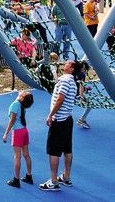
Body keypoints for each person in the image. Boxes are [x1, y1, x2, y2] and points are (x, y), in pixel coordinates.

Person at [38, 59, 78, 192]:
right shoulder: (71, 81)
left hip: (59, 120)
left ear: (71, 68)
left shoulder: (66, 81)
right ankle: (66, 177)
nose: (64, 63)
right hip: (67, 119)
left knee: (54, 151)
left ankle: (54, 181)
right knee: (67, 149)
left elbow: (60, 98)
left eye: (67, 63)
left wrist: (51, 115)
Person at [2, 90, 35, 188]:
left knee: (17, 157)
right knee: (26, 155)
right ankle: (29, 176)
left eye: (24, 92)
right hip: (24, 130)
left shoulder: (14, 105)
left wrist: (5, 134)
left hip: (17, 132)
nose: (23, 91)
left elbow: (12, 120)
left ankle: (16, 180)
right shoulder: (22, 105)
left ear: (22, 97)